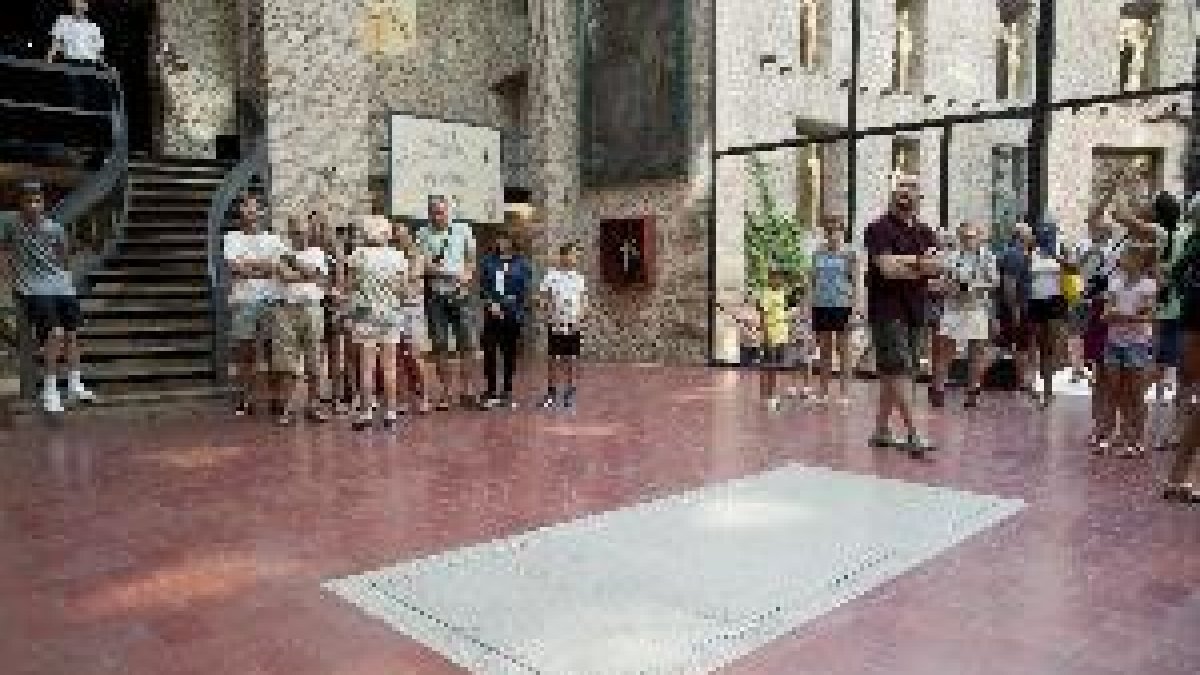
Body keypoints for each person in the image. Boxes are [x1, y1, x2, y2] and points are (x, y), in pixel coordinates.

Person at [0, 181, 95, 413]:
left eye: (38, 201)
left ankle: (75, 383)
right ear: (20, 204)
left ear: (44, 203)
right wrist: (10, 280)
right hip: (34, 288)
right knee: (54, 333)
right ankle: (50, 390)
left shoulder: (54, 228)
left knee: (72, 335)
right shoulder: (9, 222)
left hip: (61, 286)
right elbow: (3, 252)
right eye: (28, 200)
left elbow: (63, 257)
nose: (34, 205)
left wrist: (66, 279)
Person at [863, 178, 939, 454]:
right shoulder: (877, 229)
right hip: (887, 309)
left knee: (892, 373)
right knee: (899, 369)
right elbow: (886, 269)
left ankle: (881, 430)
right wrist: (919, 264)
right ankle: (914, 432)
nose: (905, 195)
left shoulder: (926, 232)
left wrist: (905, 262)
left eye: (911, 191)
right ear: (893, 196)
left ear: (920, 198)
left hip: (915, 308)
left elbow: (935, 267)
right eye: (900, 191)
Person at [223, 193, 288, 416]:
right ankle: (246, 398)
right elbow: (234, 267)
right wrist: (263, 267)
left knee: (272, 351)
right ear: (241, 212)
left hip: (270, 300)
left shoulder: (274, 239)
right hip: (243, 300)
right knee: (245, 353)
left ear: (261, 212)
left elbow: (278, 268)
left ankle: (275, 398)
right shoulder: (232, 237)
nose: (250, 212)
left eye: (254, 208)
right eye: (246, 208)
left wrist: (249, 266)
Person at [347, 216, 409, 430]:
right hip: (391, 315)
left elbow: (351, 285)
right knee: (390, 367)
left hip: (366, 315)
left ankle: (366, 414)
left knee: (367, 368)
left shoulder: (357, 255)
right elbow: (402, 290)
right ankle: (391, 414)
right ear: (387, 234)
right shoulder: (399, 256)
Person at [266, 216, 330, 426]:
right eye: (295, 232)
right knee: (286, 362)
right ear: (289, 232)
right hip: (286, 310)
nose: (299, 236)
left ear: (309, 233)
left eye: (302, 232)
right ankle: (288, 409)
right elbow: (284, 276)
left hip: (312, 309)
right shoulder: (280, 252)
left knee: (313, 359)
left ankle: (313, 406)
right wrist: (307, 273)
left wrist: (295, 265)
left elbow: (321, 279)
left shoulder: (318, 253)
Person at [416, 195, 476, 410]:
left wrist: (466, 278)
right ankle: (446, 392)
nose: (437, 215)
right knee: (440, 345)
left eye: (441, 211)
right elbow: (422, 265)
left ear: (449, 211)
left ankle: (467, 389)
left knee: (467, 344)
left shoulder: (463, 230)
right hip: (436, 296)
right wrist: (450, 273)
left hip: (461, 295)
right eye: (433, 212)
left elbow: (470, 260)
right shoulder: (422, 234)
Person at [999, 223, 1066, 407]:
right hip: (1033, 302)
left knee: (1048, 348)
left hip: (1055, 301)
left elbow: (1074, 271)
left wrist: (1058, 258)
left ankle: (1048, 390)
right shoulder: (1027, 254)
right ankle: (1030, 385)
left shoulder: (1060, 252)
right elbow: (1018, 280)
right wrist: (1016, 307)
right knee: (1030, 345)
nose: (1044, 238)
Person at [1100, 245, 1158, 457]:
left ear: (1138, 260)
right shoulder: (1114, 282)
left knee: (1136, 393)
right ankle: (1111, 435)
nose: (1121, 258)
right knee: (1113, 391)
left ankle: (1137, 440)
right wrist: (1125, 316)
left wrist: (1121, 316)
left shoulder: (1148, 285)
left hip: (1138, 344)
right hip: (1114, 342)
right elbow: (1105, 315)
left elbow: (1147, 316)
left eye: (1125, 255)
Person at [935, 222, 998, 408]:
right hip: (953, 307)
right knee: (945, 349)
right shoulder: (952, 256)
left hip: (976, 307)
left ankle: (972, 392)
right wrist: (946, 286)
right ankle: (938, 389)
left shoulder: (987, 256)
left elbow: (994, 282)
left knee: (976, 351)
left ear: (979, 237)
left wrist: (970, 287)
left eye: (971, 237)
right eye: (964, 237)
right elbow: (944, 279)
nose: (967, 240)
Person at [1163, 194, 1200, 502]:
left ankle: (1179, 475)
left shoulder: (1190, 244)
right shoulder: (1192, 244)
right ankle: (1183, 476)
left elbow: (1174, 276)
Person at [478, 233, 533, 410]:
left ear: (511, 242)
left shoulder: (522, 264)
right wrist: (490, 303)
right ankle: (491, 391)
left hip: (512, 313)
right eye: (498, 240)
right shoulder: (488, 262)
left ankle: (507, 392)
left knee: (509, 353)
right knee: (489, 351)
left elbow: (524, 291)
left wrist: (519, 309)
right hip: (492, 313)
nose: (500, 243)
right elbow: (483, 288)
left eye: (504, 240)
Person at [809, 215, 859, 405]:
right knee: (824, 351)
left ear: (842, 232)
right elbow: (812, 281)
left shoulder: (850, 254)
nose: (832, 235)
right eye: (828, 231)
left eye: (836, 231)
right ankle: (823, 392)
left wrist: (856, 310)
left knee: (843, 349)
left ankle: (844, 392)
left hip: (842, 304)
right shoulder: (818, 253)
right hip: (821, 305)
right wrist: (807, 306)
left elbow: (856, 284)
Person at [539, 243, 587, 409]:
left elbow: (582, 302)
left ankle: (570, 392)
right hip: (555, 323)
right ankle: (551, 393)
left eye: (576, 255)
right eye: (572, 255)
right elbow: (542, 299)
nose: (575, 258)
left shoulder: (579, 278)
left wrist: (579, 320)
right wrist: (547, 310)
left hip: (572, 324)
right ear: (563, 256)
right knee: (553, 358)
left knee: (571, 358)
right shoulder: (550, 276)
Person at [391, 222, 431, 415]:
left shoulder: (417, 256)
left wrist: (398, 282)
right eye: (395, 236)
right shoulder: (391, 256)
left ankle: (423, 395)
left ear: (409, 237)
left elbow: (412, 280)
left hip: (412, 310)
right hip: (393, 310)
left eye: (402, 235)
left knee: (414, 355)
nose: (399, 239)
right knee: (398, 357)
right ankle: (403, 398)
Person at [752, 268, 792, 412]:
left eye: (780, 277)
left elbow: (782, 313)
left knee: (777, 366)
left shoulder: (781, 293)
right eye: (775, 277)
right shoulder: (766, 294)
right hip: (771, 335)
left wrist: (788, 333)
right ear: (769, 278)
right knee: (769, 366)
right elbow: (763, 316)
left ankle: (772, 395)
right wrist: (766, 335)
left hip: (782, 334)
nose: (779, 280)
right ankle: (768, 396)